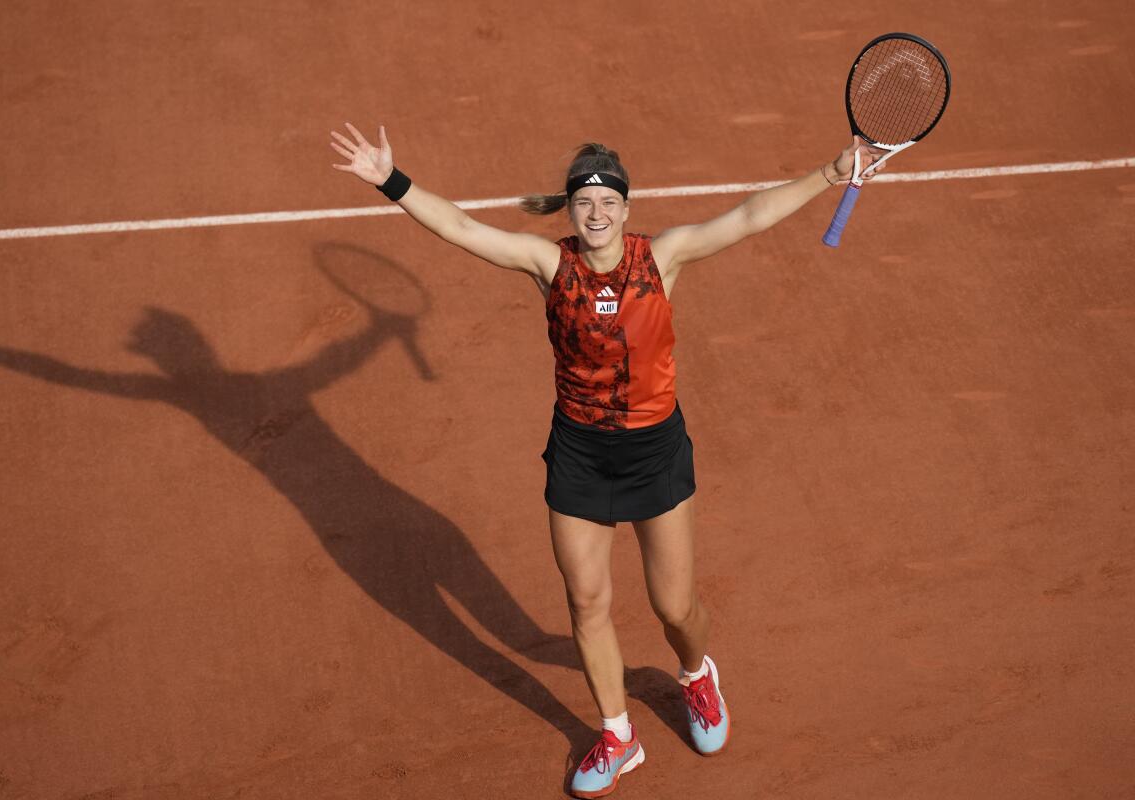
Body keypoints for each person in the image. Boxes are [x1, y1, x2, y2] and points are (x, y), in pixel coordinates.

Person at [330, 123, 884, 798]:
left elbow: (749, 215)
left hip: (654, 450)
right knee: (587, 601)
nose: (596, 213)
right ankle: (618, 734)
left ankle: (695, 675)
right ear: (571, 210)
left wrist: (833, 169)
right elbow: (461, 229)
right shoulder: (548, 265)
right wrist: (391, 178)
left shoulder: (665, 257)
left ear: (626, 208)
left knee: (674, 606)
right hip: (580, 454)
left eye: (608, 201)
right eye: (584, 202)